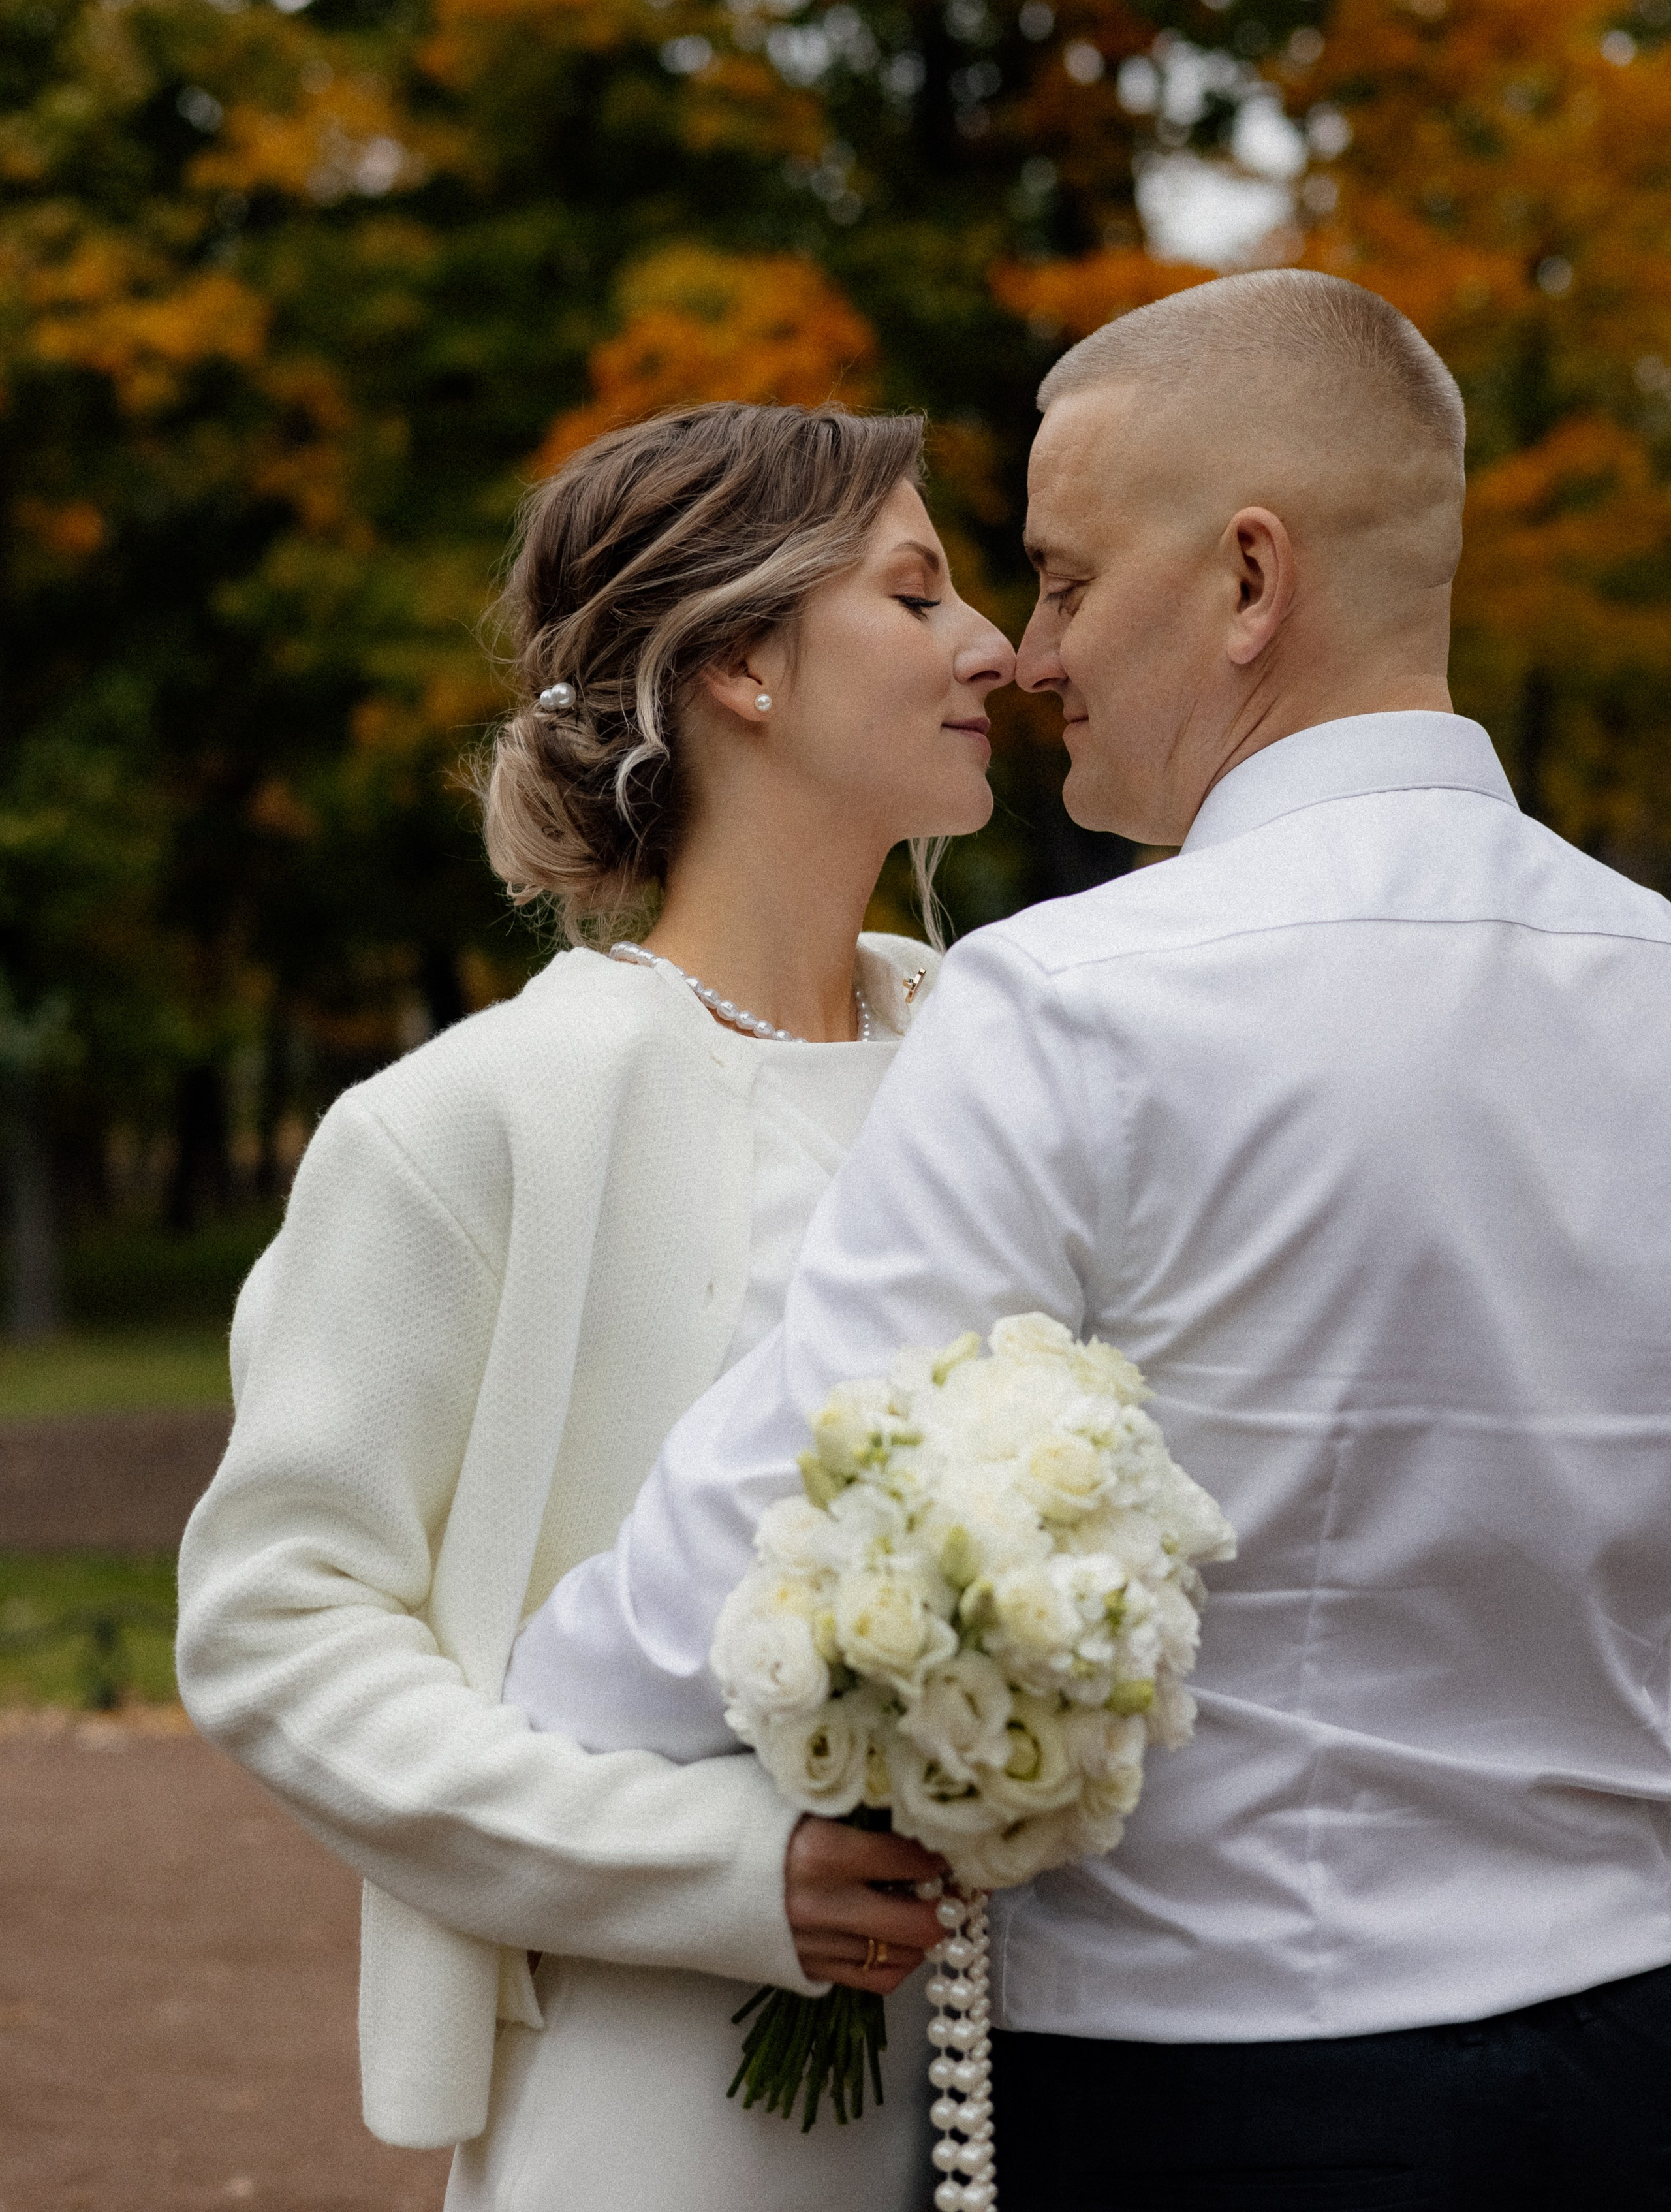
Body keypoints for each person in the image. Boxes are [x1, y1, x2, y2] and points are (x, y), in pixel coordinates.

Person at [508, 272, 1671, 2211]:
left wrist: (532, 1719)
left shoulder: (1077, 1000)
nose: (1030, 654)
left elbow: (785, 1505)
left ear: (1247, 584)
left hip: (1211, 2097)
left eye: (1059, 578)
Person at [175, 400, 1016, 2210]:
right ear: (740, 665)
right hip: (672, 2086)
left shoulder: (1014, 1059)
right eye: (919, 593)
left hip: (1073, 2054)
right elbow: (277, 1630)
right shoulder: (469, 1125)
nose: (995, 647)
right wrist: (706, 1865)